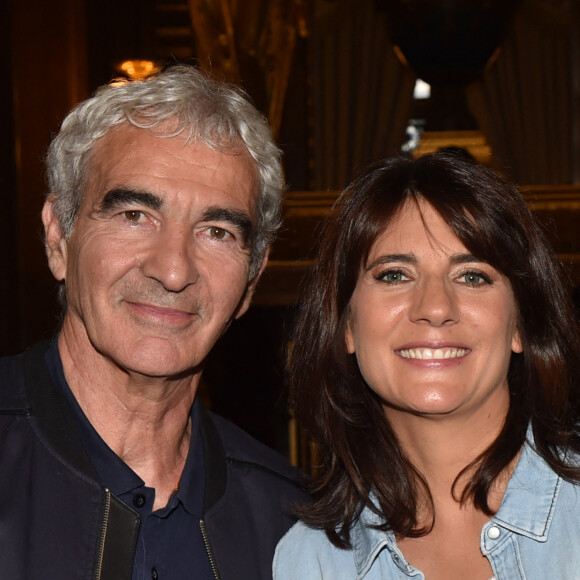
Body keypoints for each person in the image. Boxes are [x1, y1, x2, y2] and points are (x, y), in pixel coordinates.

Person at [0, 64, 307, 580]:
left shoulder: (292, 528)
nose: (173, 269)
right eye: (134, 216)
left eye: (216, 231)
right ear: (59, 237)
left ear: (252, 280)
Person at [274, 151, 580, 579]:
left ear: (520, 324)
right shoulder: (309, 563)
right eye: (394, 274)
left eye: (472, 276)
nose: (435, 308)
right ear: (345, 325)